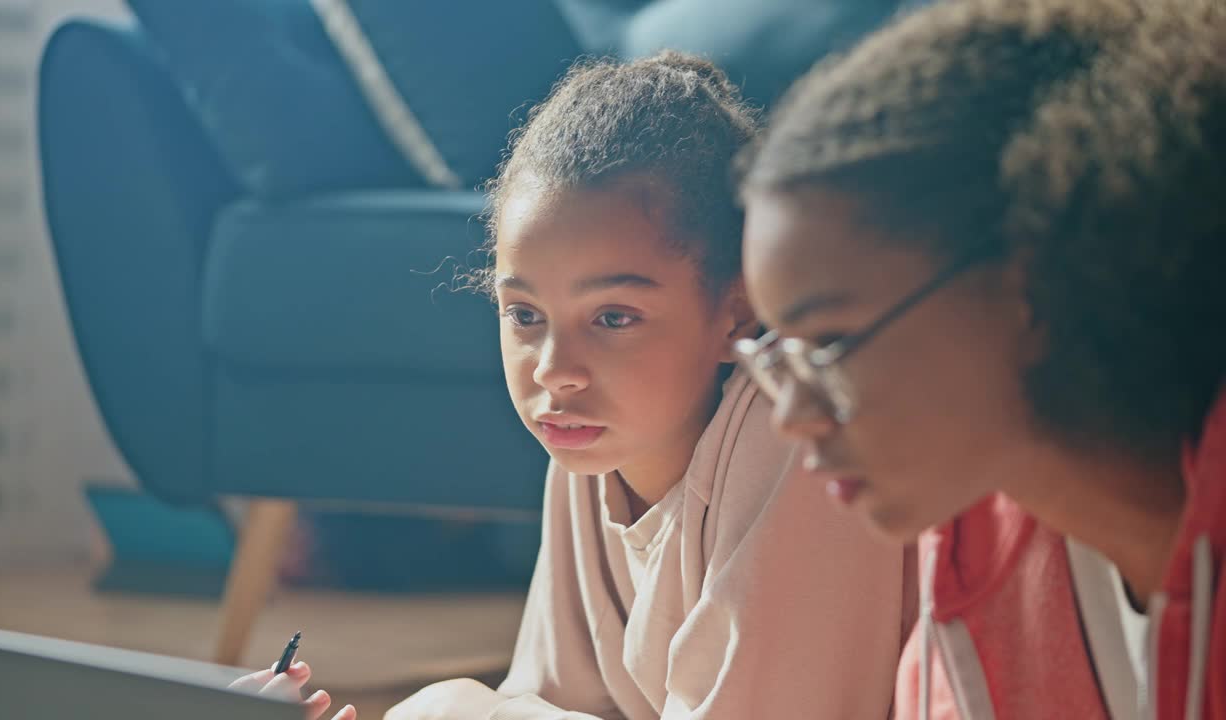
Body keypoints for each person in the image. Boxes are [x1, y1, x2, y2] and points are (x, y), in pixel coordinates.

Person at [378, 52, 910, 719]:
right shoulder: (588, 438)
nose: (553, 369)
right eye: (524, 315)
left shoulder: (795, 434)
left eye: (613, 318)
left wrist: (458, 707)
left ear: (736, 312)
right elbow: (553, 699)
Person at [732, 0, 1226, 717]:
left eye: (830, 345)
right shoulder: (966, 565)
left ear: (1028, 281)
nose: (792, 417)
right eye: (780, 356)